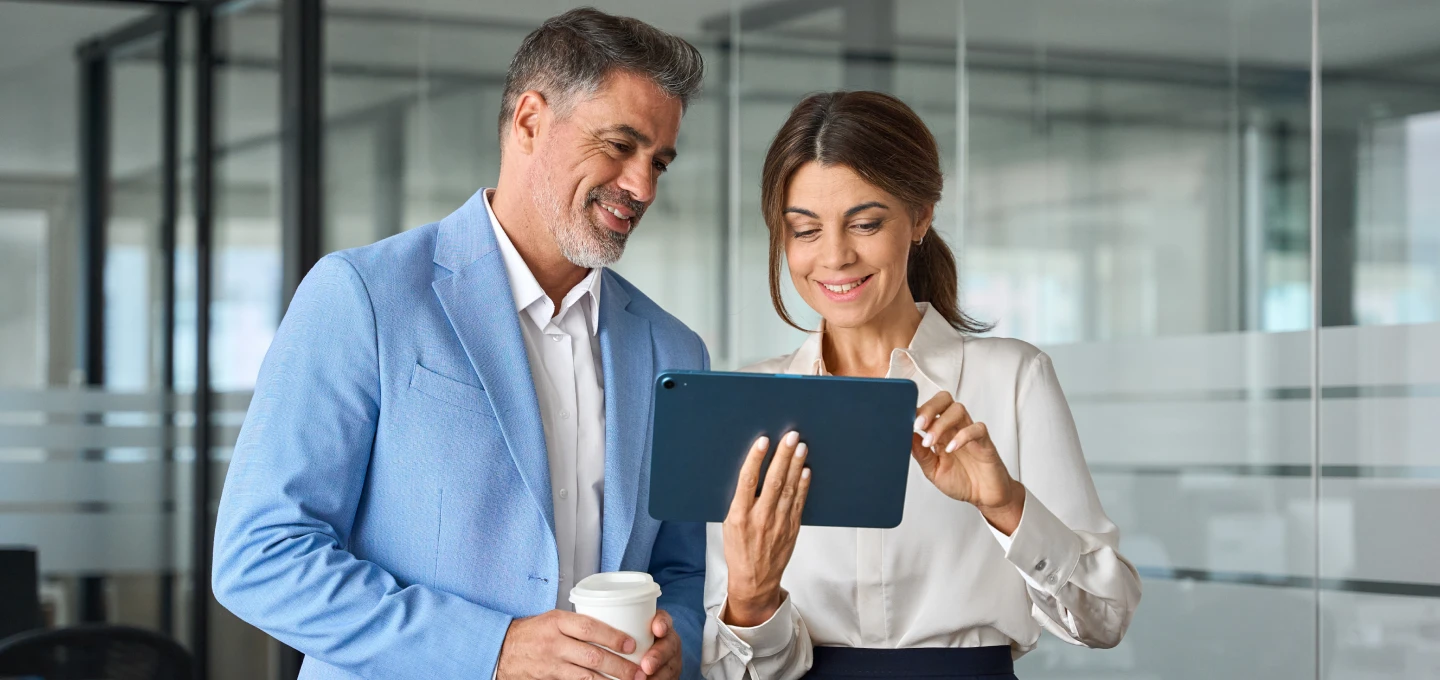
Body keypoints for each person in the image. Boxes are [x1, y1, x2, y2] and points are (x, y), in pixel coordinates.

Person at [212, 9, 709, 680]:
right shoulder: (363, 296)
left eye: (659, 162)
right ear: (530, 121)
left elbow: (682, 573)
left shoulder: (673, 350)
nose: (642, 186)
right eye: (620, 145)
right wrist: (492, 650)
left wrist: (677, 641)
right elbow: (261, 555)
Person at [701, 91, 1143, 680]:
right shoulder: (749, 402)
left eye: (865, 224)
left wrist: (1006, 506)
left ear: (920, 217)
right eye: (805, 230)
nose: (835, 256)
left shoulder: (1013, 379)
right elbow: (728, 668)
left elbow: (1106, 620)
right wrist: (752, 600)